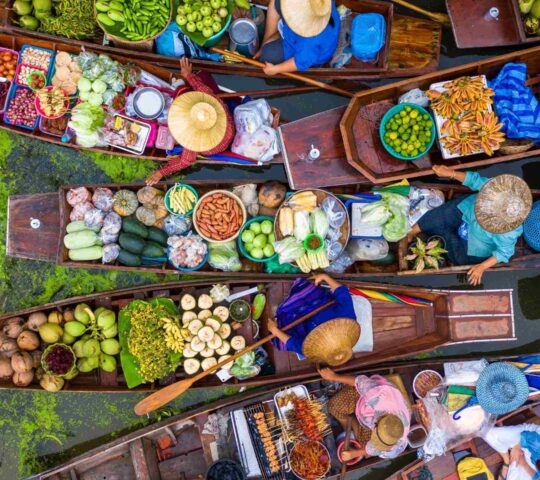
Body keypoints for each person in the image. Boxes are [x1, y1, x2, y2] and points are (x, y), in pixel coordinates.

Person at [407, 165, 532, 286]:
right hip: (465, 209)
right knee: (442, 214)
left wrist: (482, 267)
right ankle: (414, 230)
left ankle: (438, 235)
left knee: (456, 253)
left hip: (473, 244)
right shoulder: (499, 188)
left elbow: (504, 253)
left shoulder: (508, 232)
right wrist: (450, 173)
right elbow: (475, 180)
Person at [146, 58, 235, 185]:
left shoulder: (193, 142)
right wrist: (188, 74)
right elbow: (201, 87)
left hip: (217, 145)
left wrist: (161, 172)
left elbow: (185, 161)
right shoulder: (214, 103)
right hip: (226, 126)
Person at [319, 368, 411, 461]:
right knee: (334, 407)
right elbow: (359, 382)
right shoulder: (378, 398)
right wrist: (334, 376)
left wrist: (354, 454)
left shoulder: (398, 437)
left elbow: (376, 450)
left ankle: (353, 426)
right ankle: (351, 425)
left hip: (370, 416)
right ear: (377, 423)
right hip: (364, 397)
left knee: (366, 452)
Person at [267, 273, 356, 357]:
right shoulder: (347, 319)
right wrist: (325, 277)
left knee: (281, 339)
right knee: (306, 292)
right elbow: (342, 293)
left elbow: (293, 344)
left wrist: (275, 331)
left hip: (305, 326)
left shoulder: (314, 349)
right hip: (319, 304)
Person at [253, 0, 340, 75]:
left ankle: (275, 38)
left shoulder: (311, 40)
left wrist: (275, 69)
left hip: (301, 49)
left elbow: (299, 62)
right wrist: (265, 42)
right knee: (277, 2)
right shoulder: (319, 4)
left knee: (267, 54)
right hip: (294, 33)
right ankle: (271, 39)